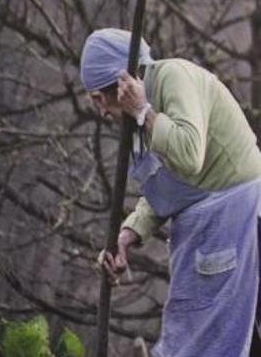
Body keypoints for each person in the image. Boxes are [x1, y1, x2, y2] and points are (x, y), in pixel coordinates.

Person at [83, 28, 261, 356]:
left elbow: (189, 155)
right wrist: (128, 234)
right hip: (206, 220)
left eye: (98, 99)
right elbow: (169, 187)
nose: (102, 111)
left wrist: (143, 112)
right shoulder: (138, 124)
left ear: (121, 85)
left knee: (200, 343)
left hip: (230, 215)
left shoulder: (172, 78)